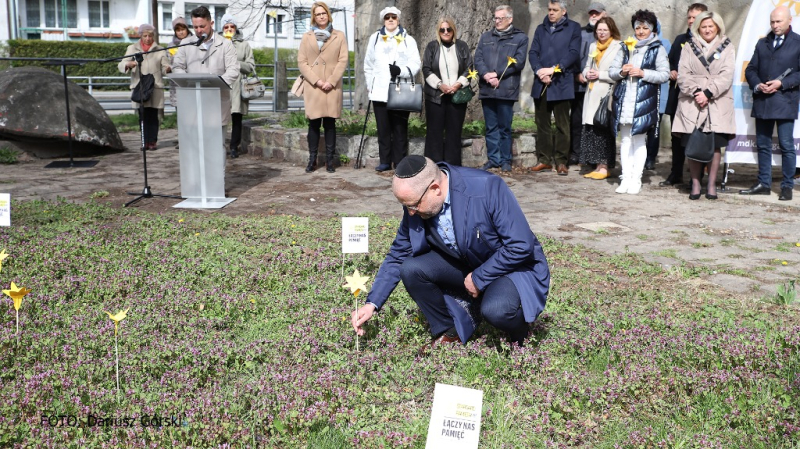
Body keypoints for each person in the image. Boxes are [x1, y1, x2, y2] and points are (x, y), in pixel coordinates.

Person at [350, 155, 550, 351]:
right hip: (466, 264)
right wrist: (372, 304)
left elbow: (520, 245)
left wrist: (480, 277)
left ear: (435, 189)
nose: (410, 213)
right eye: (405, 206)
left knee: (496, 311)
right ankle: (451, 328)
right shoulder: (417, 202)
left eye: (412, 205)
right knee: (411, 269)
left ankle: (519, 334)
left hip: (510, 268)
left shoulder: (487, 187)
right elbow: (398, 254)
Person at [671, 12, 735, 200]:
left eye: (711, 26)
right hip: (692, 100)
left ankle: (712, 184)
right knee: (693, 143)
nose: (707, 30)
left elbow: (727, 74)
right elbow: (683, 73)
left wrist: (708, 93)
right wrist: (697, 92)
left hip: (718, 100)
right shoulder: (689, 46)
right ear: (698, 27)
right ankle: (696, 183)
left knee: (715, 145)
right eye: (703, 26)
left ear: (718, 27)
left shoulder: (728, 46)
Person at [740, 5, 800, 201]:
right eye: (772, 22)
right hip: (763, 101)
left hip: (785, 101)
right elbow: (750, 69)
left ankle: (787, 186)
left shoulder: (798, 43)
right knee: (763, 145)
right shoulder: (762, 43)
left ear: (789, 20)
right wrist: (758, 85)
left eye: (778, 21)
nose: (775, 25)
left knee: (786, 145)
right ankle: (763, 184)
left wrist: (782, 83)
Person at [608, 10, 670, 195]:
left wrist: (643, 73)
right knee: (625, 140)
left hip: (644, 101)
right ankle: (625, 177)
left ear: (652, 29)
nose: (641, 31)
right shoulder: (625, 46)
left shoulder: (657, 48)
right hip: (625, 99)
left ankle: (636, 178)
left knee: (639, 140)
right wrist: (622, 71)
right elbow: (612, 71)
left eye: (645, 28)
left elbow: (664, 74)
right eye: (638, 27)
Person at [172, 6, 240, 156]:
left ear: (211, 23)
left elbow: (233, 70)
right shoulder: (186, 43)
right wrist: (188, 81)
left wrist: (215, 83)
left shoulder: (225, 44)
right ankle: (196, 179)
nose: (199, 30)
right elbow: (177, 66)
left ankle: (217, 180)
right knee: (193, 146)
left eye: (202, 26)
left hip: (216, 101)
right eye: (195, 27)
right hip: (192, 102)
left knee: (216, 147)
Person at [364, 6, 421, 172]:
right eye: (387, 17)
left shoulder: (408, 40)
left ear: (398, 20)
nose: (390, 20)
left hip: (399, 90)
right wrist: (370, 85)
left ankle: (400, 161)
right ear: (383, 19)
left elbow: (415, 63)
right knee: (383, 128)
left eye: (393, 17)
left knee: (399, 129)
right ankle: (385, 160)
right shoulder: (375, 38)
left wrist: (401, 71)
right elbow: (368, 65)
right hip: (379, 91)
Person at [528, 0, 581, 176]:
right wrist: (539, 71)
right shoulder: (540, 28)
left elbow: (573, 53)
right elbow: (533, 52)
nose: (551, 13)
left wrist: (554, 69)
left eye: (555, 10)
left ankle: (561, 161)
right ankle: (544, 160)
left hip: (561, 82)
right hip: (541, 82)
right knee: (542, 123)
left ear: (563, 11)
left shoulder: (573, 28)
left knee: (562, 125)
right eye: (549, 9)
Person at [474, 5, 528, 172]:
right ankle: (493, 159)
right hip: (487, 87)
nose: (497, 21)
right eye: (495, 18)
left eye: (500, 18)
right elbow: (478, 58)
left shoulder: (520, 38)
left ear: (509, 19)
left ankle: (505, 160)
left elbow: (518, 62)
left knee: (504, 127)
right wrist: (486, 75)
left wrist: (497, 74)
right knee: (490, 127)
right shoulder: (486, 37)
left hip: (506, 88)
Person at [298, 1, 349, 173]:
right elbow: (302, 62)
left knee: (330, 123)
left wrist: (331, 81)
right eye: (318, 14)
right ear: (314, 17)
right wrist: (317, 81)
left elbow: (343, 60)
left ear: (328, 14)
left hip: (332, 86)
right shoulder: (307, 37)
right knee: (313, 123)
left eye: (324, 13)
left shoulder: (339, 35)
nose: (321, 16)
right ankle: (312, 160)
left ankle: (329, 160)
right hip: (314, 86)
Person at [661, 3, 708, 187]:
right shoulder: (680, 39)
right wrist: (672, 70)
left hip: (699, 99)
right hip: (678, 96)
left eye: (695, 17)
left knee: (698, 137)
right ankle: (676, 173)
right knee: (676, 137)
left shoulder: (708, 42)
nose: (691, 21)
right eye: (689, 17)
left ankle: (697, 178)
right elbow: (670, 62)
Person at [422, 17, 472, 166]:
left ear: (453, 30)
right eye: (442, 29)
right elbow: (426, 69)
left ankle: (453, 165)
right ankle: (433, 165)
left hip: (457, 94)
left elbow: (469, 68)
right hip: (436, 96)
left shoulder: (462, 46)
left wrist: (458, 84)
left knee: (454, 132)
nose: (445, 32)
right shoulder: (432, 47)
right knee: (434, 132)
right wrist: (439, 85)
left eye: (448, 29)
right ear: (438, 31)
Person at [580, 17, 621, 180]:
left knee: (603, 129)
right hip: (591, 92)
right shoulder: (593, 46)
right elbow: (586, 67)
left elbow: (618, 73)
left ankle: (604, 167)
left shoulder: (619, 47)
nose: (601, 33)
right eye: (599, 30)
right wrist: (586, 73)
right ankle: (597, 165)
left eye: (604, 30)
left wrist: (600, 75)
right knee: (593, 130)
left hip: (606, 93)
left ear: (611, 30)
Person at [118, 24, 171, 151]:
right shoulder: (132, 48)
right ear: (140, 36)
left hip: (155, 87)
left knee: (153, 115)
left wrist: (168, 69)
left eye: (150, 36)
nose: (148, 38)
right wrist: (128, 64)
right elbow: (121, 64)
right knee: (142, 115)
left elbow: (165, 67)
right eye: (145, 36)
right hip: (140, 86)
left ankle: (152, 141)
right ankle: (144, 141)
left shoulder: (160, 49)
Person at [570, 2, 607, 167]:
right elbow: (574, 55)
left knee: (595, 122)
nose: (593, 16)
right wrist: (577, 73)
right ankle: (576, 153)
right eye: (591, 13)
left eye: (597, 13)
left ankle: (593, 156)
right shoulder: (580, 33)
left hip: (599, 86)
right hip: (580, 84)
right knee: (577, 120)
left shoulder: (609, 35)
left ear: (603, 15)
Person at [220, 14, 255, 159]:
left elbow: (251, 66)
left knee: (236, 117)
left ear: (236, 28)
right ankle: (219, 144)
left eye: (232, 27)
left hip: (238, 86)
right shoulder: (217, 43)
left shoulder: (244, 45)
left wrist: (236, 63)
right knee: (219, 117)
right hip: (222, 85)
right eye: (226, 27)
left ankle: (234, 146)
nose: (229, 29)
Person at [643, 21, 672, 172]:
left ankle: (650, 158)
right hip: (641, 91)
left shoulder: (664, 44)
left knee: (654, 127)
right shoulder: (635, 43)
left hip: (659, 92)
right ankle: (640, 156)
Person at [168, 17, 192, 112]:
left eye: (183, 29)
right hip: (177, 83)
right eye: (178, 30)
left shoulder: (194, 41)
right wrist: (168, 67)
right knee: (180, 112)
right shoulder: (171, 45)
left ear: (187, 29)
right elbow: (168, 61)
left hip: (191, 81)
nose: (181, 32)